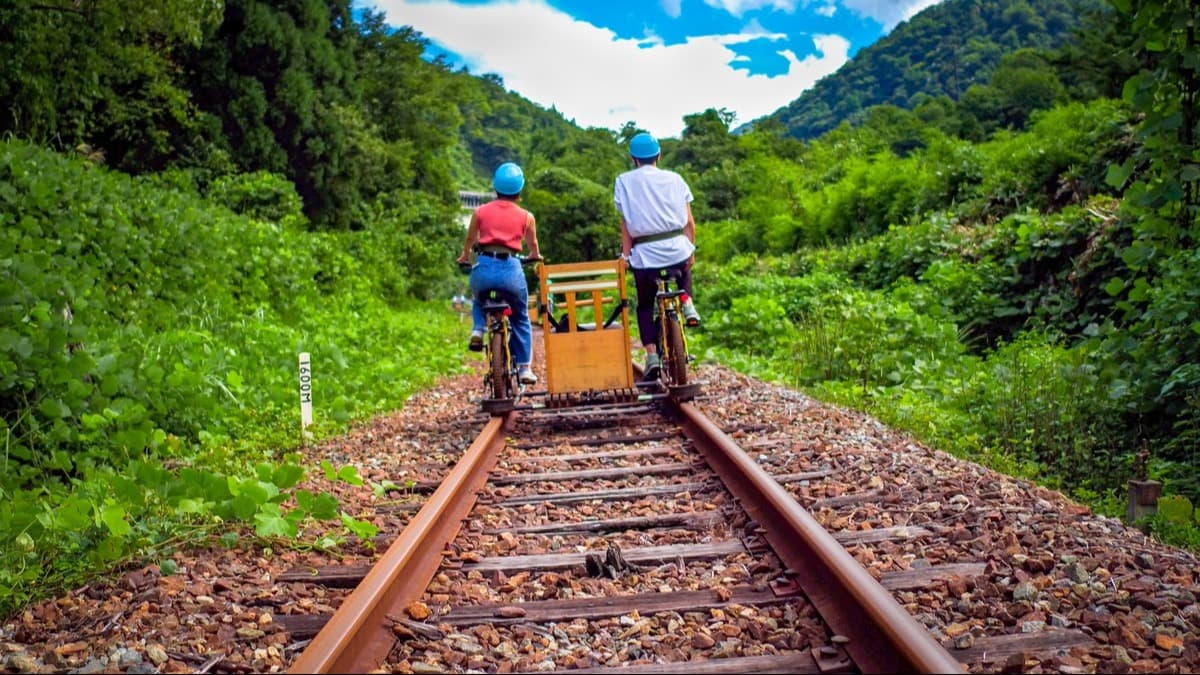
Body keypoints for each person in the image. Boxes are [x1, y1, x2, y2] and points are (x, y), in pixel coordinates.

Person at [613, 132, 701, 380]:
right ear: (659, 155)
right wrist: (690, 248)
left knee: (644, 305)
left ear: (633, 159)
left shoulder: (623, 181)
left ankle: (651, 354)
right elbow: (689, 222)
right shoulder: (675, 179)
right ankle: (687, 303)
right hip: (677, 248)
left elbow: (627, 226)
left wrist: (625, 256)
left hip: (645, 256)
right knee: (684, 266)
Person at [458, 162, 542, 385]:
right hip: (510, 270)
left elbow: (469, 240)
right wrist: (535, 255)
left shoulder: (480, 211)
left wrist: (465, 256)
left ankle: (477, 330)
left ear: (495, 187)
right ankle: (524, 368)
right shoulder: (527, 216)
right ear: (519, 191)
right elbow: (533, 245)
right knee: (521, 317)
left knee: (478, 299)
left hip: (484, 267)